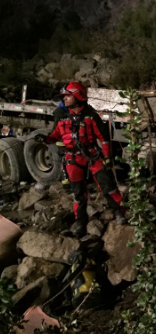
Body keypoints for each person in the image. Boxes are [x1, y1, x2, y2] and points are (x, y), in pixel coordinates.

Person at [34, 82, 126, 237]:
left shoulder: (91, 117)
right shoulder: (63, 117)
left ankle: (119, 213)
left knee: (108, 186)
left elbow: (103, 138)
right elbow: (55, 135)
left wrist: (107, 158)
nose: (65, 99)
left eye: (68, 96)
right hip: (72, 157)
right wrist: (45, 139)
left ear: (77, 96)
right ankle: (80, 222)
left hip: (92, 155)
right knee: (78, 193)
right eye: (64, 97)